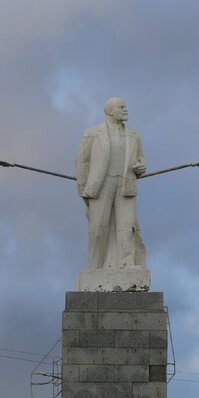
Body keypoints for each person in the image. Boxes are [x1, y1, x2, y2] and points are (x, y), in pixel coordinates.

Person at [75, 97, 147, 270]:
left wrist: (140, 167)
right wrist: (83, 188)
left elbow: (141, 159)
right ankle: (95, 265)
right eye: (121, 107)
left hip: (126, 184)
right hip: (101, 185)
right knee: (98, 226)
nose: (125, 109)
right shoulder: (92, 132)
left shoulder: (134, 135)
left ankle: (127, 262)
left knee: (127, 226)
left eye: (126, 106)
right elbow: (82, 161)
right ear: (109, 111)